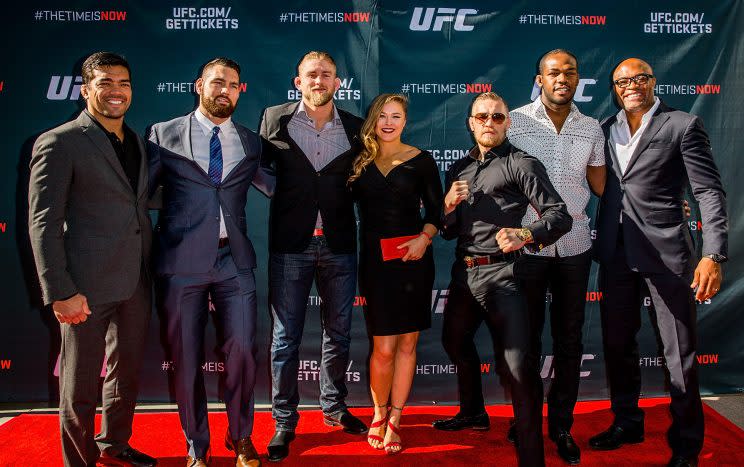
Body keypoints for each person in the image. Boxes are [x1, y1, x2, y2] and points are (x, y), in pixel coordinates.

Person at [590, 58, 728, 467]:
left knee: (679, 355)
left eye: (639, 78)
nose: (631, 85)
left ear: (653, 81)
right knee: (617, 346)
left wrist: (712, 252)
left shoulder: (682, 125)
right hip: (615, 254)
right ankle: (627, 422)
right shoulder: (604, 129)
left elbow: (709, 192)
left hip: (668, 255)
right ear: (615, 88)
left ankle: (686, 446)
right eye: (622, 81)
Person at [28, 52, 156, 467]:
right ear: (85, 89)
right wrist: (61, 291)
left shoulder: (135, 141)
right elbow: (43, 224)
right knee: (79, 384)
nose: (116, 91)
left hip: (135, 280)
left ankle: (114, 443)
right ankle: (78, 460)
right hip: (83, 285)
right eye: (105, 82)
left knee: (126, 372)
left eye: (124, 83)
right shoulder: (59, 141)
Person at [432, 92, 573, 467]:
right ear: (471, 122)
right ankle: (474, 412)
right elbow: (447, 231)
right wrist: (446, 207)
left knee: (517, 367)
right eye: (482, 117)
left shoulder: (521, 163)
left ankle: (531, 457)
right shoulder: (458, 168)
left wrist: (525, 235)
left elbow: (560, 216)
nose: (489, 123)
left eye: (497, 117)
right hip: (464, 273)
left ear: (507, 122)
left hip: (505, 275)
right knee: (453, 341)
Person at [147, 57, 273, 467]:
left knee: (241, 350)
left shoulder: (251, 141)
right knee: (184, 357)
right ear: (199, 84)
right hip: (181, 262)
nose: (225, 90)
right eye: (218, 82)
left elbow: (278, 188)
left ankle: (241, 438)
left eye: (233, 85)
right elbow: (140, 195)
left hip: (234, 260)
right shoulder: (163, 134)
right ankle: (195, 445)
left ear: (240, 91)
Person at [259, 51, 366, 462]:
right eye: (311, 75)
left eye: (327, 75)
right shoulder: (275, 119)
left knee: (338, 334)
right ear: (297, 81)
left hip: (339, 244)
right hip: (291, 244)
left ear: (337, 82)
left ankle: (335, 408)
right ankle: (284, 421)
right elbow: (261, 169)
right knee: (284, 338)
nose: (319, 80)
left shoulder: (357, 128)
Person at [507, 49, 606, 465]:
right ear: (540, 78)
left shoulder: (593, 128)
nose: (561, 78)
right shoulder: (514, 121)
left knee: (569, 340)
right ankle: (525, 420)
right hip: (528, 247)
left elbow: (602, 186)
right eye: (553, 72)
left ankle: (561, 425)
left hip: (575, 246)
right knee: (524, 342)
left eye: (569, 72)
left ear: (577, 78)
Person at [349, 93, 444, 454]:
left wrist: (424, 238)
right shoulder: (359, 161)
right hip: (376, 264)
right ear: (373, 120)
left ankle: (396, 418)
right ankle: (378, 412)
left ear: (406, 121)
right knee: (383, 347)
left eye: (397, 116)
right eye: (383, 116)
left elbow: (437, 212)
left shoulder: (421, 160)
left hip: (414, 261)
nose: (389, 122)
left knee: (407, 344)